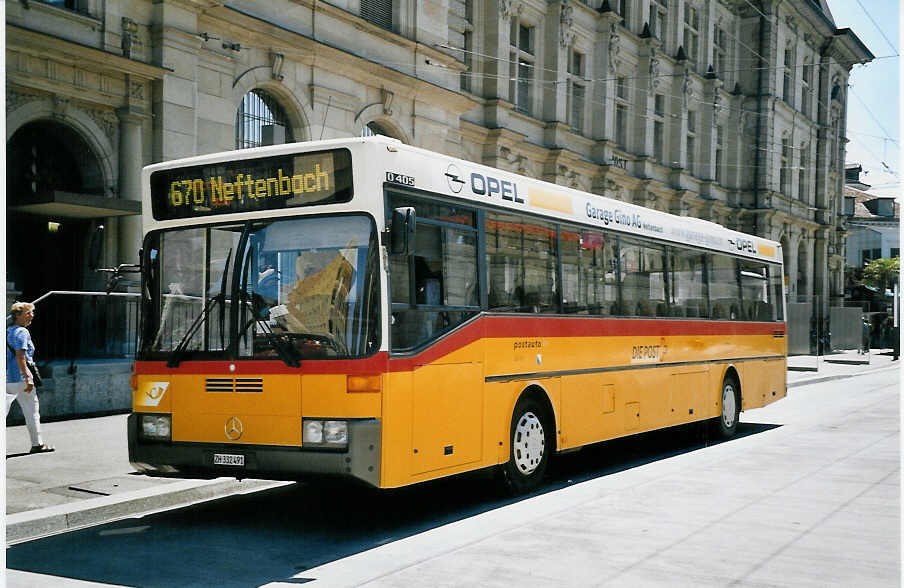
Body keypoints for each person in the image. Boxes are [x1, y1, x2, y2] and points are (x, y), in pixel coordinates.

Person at [6, 302, 53, 453]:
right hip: (20, 378)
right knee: (32, 411)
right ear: (17, 316)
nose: (31, 316)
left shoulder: (7, 331)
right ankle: (37, 444)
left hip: (7, 378)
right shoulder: (22, 332)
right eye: (28, 313)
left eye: (32, 313)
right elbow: (21, 357)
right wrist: (28, 377)